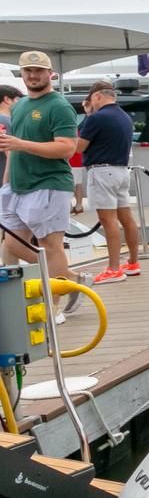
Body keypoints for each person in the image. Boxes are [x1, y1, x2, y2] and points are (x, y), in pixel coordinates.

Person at [0, 51, 78, 323]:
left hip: (49, 184)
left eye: (38, 70)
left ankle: (54, 306)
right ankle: (69, 279)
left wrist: (20, 145)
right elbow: (12, 148)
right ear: (22, 74)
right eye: (27, 71)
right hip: (18, 187)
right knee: (13, 243)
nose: (33, 75)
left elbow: (67, 148)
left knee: (49, 244)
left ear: (50, 73)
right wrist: (7, 182)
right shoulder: (19, 106)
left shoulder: (59, 106)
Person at [76, 82, 141, 284]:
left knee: (108, 220)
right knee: (126, 218)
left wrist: (86, 116)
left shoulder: (96, 118)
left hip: (101, 171)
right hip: (121, 170)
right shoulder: (124, 117)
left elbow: (79, 147)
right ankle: (132, 262)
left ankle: (113, 268)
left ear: (96, 97)